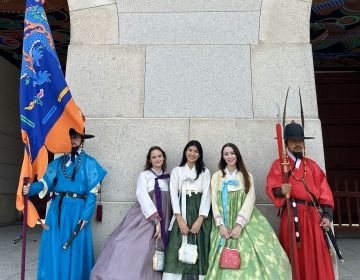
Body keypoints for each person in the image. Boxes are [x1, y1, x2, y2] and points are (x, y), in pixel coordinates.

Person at [23, 128, 107, 280]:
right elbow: (43, 184)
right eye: (70, 137)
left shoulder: (90, 163)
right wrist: (29, 189)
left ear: (82, 140)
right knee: (54, 246)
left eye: (76, 137)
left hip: (77, 212)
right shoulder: (57, 163)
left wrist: (85, 216)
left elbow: (91, 195)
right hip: (56, 211)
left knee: (74, 247)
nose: (73, 140)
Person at [205, 143, 291, 280]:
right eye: (226, 154)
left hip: (243, 221)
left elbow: (250, 200)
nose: (229, 156)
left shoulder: (247, 176)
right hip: (223, 223)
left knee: (254, 255)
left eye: (232, 153)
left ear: (237, 155)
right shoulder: (216, 177)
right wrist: (220, 225)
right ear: (222, 157)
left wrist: (239, 225)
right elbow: (214, 202)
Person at [266, 121, 335, 280]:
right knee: (293, 255)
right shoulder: (279, 165)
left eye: (300, 141)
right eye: (293, 141)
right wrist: (280, 190)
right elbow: (271, 187)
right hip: (291, 215)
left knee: (316, 254)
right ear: (286, 143)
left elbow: (325, 192)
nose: (298, 144)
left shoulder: (312, 166)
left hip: (312, 218)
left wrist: (327, 215)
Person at [91, 146, 172, 280]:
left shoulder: (168, 178)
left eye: (159, 156)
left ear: (163, 158)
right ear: (149, 160)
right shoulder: (144, 175)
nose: (157, 159)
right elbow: (142, 195)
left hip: (165, 217)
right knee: (131, 245)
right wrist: (156, 220)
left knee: (153, 251)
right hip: (146, 216)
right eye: (154, 157)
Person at [163, 140, 212, 280]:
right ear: (185, 152)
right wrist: (179, 220)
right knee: (176, 246)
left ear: (200, 154)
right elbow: (173, 194)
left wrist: (200, 219)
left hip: (198, 212)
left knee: (200, 246)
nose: (192, 153)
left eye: (196, 151)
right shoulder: (177, 171)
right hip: (181, 213)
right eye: (190, 150)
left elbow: (207, 195)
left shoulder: (205, 172)